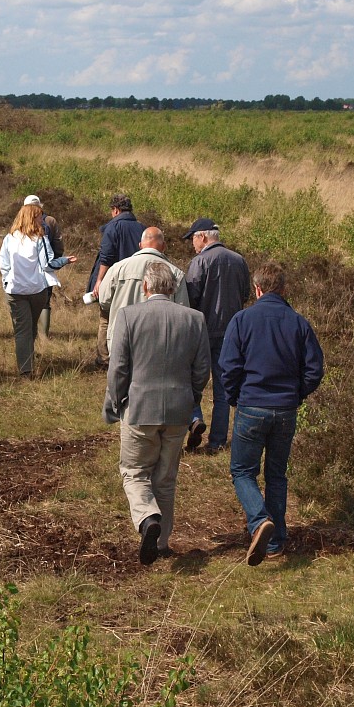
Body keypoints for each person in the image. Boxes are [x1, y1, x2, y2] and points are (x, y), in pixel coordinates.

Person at [220, 261, 324, 566]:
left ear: (257, 289)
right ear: (284, 288)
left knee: (242, 471)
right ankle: (275, 542)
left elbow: (228, 367)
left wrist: (235, 397)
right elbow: (314, 369)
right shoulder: (299, 323)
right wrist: (297, 394)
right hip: (285, 409)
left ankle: (259, 520)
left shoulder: (242, 320)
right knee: (276, 474)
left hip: (252, 405)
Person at [107, 262, 210, 565]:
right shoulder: (194, 319)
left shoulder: (129, 316)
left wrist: (115, 401)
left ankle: (147, 518)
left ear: (145, 287)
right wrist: (192, 397)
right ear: (174, 287)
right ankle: (162, 542)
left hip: (139, 408)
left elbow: (118, 367)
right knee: (165, 478)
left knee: (135, 472)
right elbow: (202, 368)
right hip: (179, 410)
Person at [98, 227, 201, 446]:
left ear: (140, 245)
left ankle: (131, 430)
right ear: (163, 246)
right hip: (162, 345)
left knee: (123, 380)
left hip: (122, 337)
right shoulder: (175, 273)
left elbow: (104, 300)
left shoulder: (118, 268)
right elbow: (183, 311)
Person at [182, 218, 251, 454]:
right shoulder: (239, 260)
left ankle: (195, 418)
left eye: (192, 238)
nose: (192, 244)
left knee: (190, 381)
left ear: (202, 237)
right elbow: (245, 294)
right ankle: (218, 441)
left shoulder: (200, 262)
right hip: (231, 334)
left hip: (201, 332)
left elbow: (191, 298)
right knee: (223, 389)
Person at [0, 202, 77, 376]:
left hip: (15, 291)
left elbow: (4, 265)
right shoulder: (40, 239)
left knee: (22, 330)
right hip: (36, 290)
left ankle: (26, 369)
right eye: (40, 217)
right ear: (32, 218)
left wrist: (7, 282)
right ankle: (28, 365)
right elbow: (48, 264)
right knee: (30, 328)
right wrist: (64, 260)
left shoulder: (9, 238)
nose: (43, 220)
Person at [87, 194, 146, 366]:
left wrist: (99, 281)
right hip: (137, 279)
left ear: (115, 210)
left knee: (105, 317)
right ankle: (131, 356)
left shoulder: (112, 227)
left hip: (114, 279)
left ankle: (104, 358)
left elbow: (106, 257)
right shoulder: (143, 228)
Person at [21, 195, 65, 339]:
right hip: (46, 267)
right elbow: (58, 244)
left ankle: (28, 333)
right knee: (45, 301)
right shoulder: (50, 221)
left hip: (24, 268)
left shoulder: (20, 221)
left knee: (25, 300)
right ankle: (43, 336)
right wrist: (56, 261)